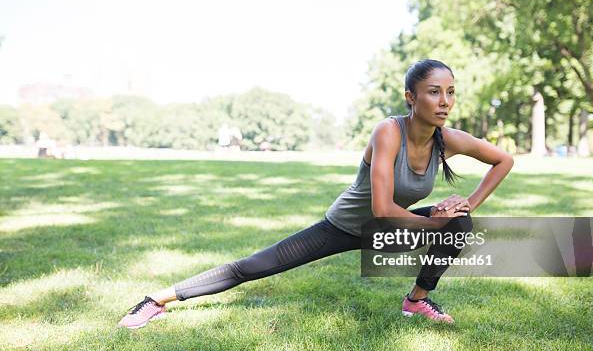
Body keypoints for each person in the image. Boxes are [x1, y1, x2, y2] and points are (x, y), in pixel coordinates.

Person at [118, 59, 514, 329]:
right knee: (253, 266)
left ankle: (416, 299)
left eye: (449, 92)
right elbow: (379, 209)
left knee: (461, 223)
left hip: (392, 231)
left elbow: (503, 161)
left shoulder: (449, 139)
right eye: (433, 92)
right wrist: (433, 221)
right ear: (411, 97)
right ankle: (156, 300)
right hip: (343, 226)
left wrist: (464, 205)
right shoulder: (388, 132)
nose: (444, 101)